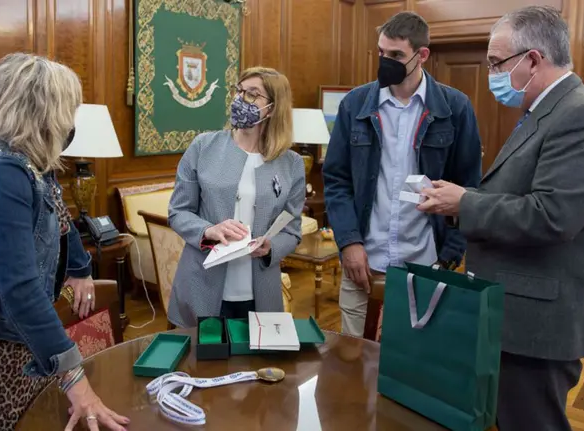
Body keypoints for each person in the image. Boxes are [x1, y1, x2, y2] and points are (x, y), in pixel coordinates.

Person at [417, 6, 584, 431]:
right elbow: (518, 196)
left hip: (539, 322)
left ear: (532, 60)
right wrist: (460, 199)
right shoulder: (543, 112)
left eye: (496, 63)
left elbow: (552, 216)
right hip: (511, 309)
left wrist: (465, 204)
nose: (492, 73)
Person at [0, 53, 129, 431]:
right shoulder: (0, 172)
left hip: (19, 343)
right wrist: (78, 384)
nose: (72, 122)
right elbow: (20, 291)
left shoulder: (30, 165)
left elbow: (61, 221)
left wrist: (79, 270)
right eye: (69, 109)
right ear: (43, 111)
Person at [322, 11, 482, 336]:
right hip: (363, 263)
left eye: (396, 55)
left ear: (422, 55)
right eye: (381, 53)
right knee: (354, 366)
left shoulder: (455, 108)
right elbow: (337, 181)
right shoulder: (355, 104)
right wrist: (349, 243)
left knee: (409, 369)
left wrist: (449, 257)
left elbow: (468, 189)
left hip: (423, 264)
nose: (386, 61)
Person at [168, 66, 305, 327]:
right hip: (203, 283)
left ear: (273, 108)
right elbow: (178, 212)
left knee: (254, 366)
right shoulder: (203, 147)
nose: (241, 99)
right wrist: (208, 229)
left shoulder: (292, 164)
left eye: (253, 95)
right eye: (239, 91)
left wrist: (271, 247)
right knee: (202, 364)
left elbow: (292, 230)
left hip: (259, 290)